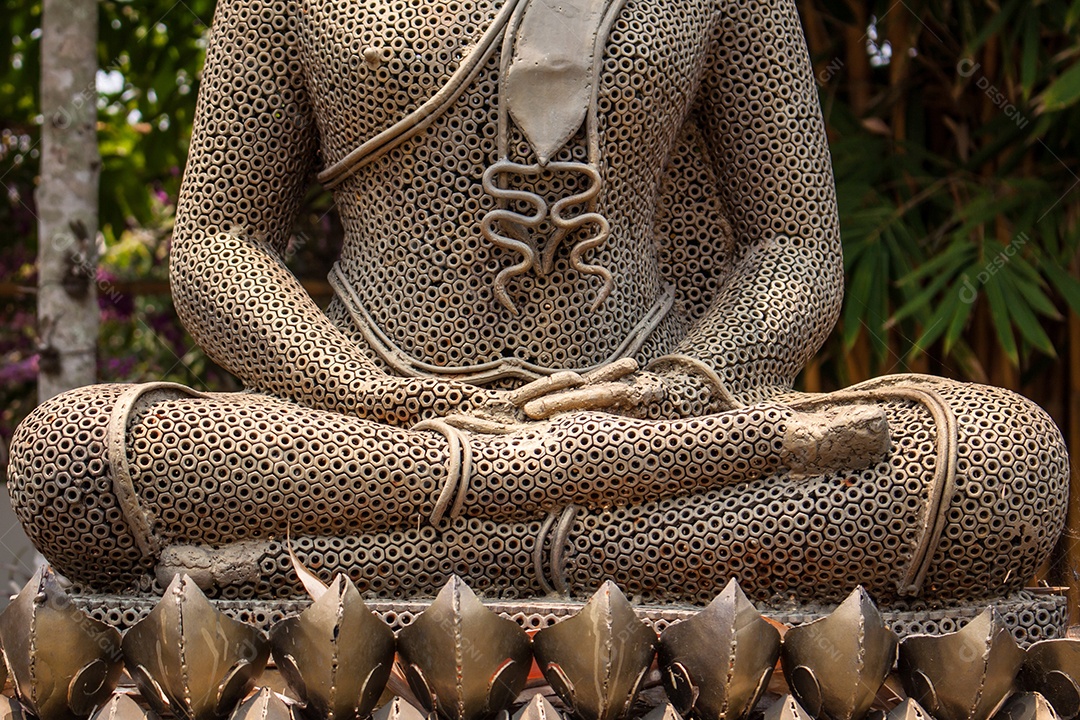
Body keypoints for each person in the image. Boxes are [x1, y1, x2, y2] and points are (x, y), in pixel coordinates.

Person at [8, 0, 1068, 609]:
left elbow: (794, 248)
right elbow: (216, 242)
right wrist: (365, 396)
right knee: (69, 460)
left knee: (1000, 464)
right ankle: (563, 520)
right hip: (373, 428)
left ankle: (409, 547)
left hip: (654, 405)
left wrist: (685, 387)